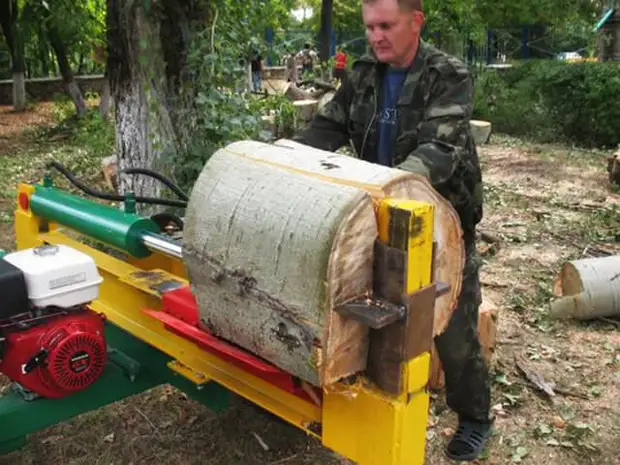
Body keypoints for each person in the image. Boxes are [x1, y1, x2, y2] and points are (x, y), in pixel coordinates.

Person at [292, 0, 493, 461]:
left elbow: (439, 150)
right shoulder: (363, 74)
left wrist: (383, 192)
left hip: (441, 222)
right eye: (370, 27)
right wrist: (287, 158)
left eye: (386, 25)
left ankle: (476, 417)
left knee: (452, 330)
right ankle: (367, 413)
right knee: (370, 321)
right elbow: (327, 127)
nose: (376, 36)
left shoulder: (448, 74)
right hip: (376, 220)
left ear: (415, 21)